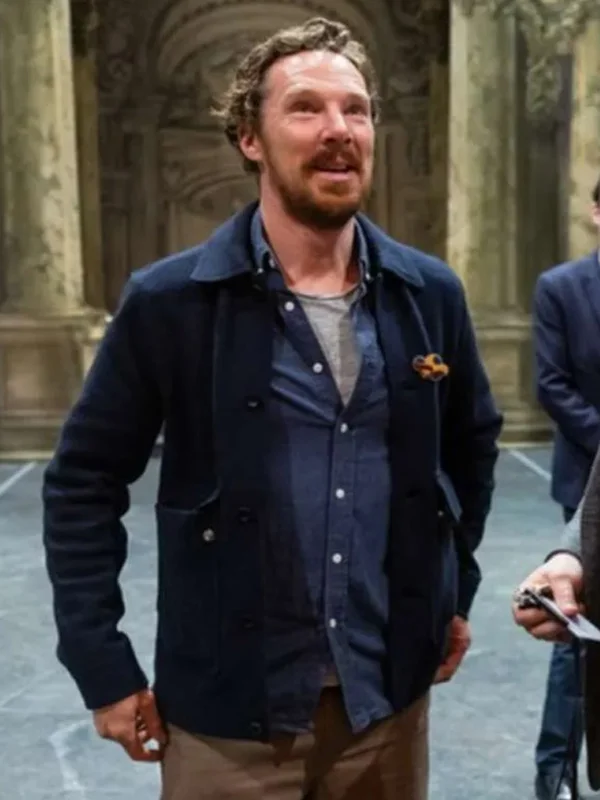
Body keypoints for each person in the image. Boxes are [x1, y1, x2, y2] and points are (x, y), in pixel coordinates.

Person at [42, 16, 503, 800]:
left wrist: (448, 591)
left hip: (384, 710)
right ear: (249, 138)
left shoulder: (428, 294)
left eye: (356, 110)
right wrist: (102, 665)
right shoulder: (172, 301)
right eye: (306, 108)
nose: (338, 130)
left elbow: (470, 449)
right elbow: (83, 483)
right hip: (228, 721)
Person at [528, 177, 600, 800]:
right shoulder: (562, 287)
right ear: (596, 213)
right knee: (575, 621)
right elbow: (552, 385)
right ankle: (555, 770)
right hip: (589, 479)